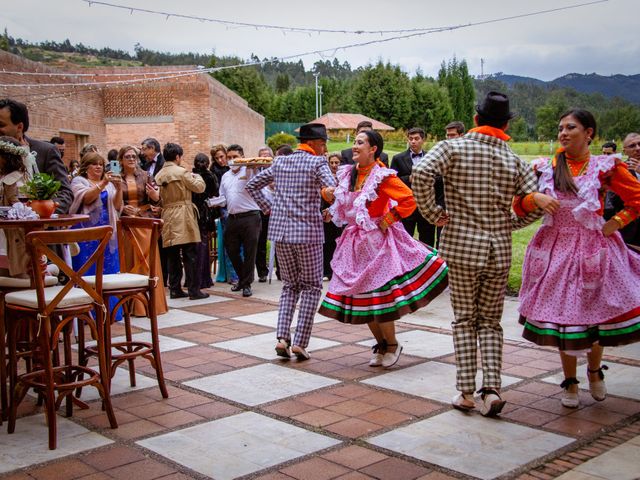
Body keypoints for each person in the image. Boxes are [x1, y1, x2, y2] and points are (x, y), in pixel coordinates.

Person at [412, 91, 552, 417]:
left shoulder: (453, 147)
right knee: (490, 322)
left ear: (476, 119)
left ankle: (465, 392)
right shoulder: (514, 159)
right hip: (498, 249)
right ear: (506, 124)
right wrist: (513, 223)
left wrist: (434, 214)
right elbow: (537, 200)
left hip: (461, 246)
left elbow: (420, 174)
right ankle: (491, 388)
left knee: (464, 320)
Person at [518, 110, 640, 409]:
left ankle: (595, 370)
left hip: (592, 249)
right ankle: (570, 380)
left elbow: (637, 199)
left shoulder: (605, 167)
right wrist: (534, 199)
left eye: (570, 127)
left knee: (594, 312)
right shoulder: (545, 167)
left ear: (589, 133)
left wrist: (616, 223)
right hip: (555, 249)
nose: (563, 132)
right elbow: (518, 206)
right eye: (560, 128)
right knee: (564, 316)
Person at [319, 131, 448, 368]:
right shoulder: (349, 173)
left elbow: (409, 200)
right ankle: (381, 343)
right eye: (355, 143)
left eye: (360, 143)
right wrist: (328, 196)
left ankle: (391, 344)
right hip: (355, 243)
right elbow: (344, 199)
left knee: (380, 297)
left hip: (378, 244)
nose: (355, 147)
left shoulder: (382, 176)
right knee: (363, 297)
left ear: (373, 149)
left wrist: (387, 220)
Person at [246, 123, 336, 360]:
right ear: (316, 143)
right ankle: (300, 343)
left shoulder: (280, 162)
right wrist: (332, 208)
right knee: (312, 287)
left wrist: (270, 209)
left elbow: (252, 185)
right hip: (307, 234)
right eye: (324, 143)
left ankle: (282, 337)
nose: (325, 148)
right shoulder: (317, 162)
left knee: (289, 286)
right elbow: (332, 189)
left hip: (281, 233)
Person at [69, 152, 124, 319]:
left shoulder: (108, 184)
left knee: (108, 271)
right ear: (86, 167)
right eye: (94, 164)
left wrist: (119, 187)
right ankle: (88, 313)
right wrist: (103, 182)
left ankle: (111, 311)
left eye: (101, 164)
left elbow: (116, 205)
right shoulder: (79, 181)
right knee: (87, 270)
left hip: (106, 232)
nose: (99, 167)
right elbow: (86, 198)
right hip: (85, 233)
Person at [118, 145, 168, 316]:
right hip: (125, 226)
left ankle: (152, 304)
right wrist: (123, 208)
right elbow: (111, 200)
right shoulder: (116, 178)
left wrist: (156, 198)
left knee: (147, 262)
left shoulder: (146, 176)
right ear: (121, 160)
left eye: (134, 156)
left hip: (144, 223)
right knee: (130, 262)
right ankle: (131, 305)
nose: (131, 159)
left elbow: (157, 200)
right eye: (127, 156)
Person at [155, 142, 208, 300]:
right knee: (190, 253)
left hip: (167, 214)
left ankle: (175, 288)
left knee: (172, 254)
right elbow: (199, 188)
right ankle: (194, 290)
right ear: (178, 156)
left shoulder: (159, 174)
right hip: (183, 213)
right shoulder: (182, 172)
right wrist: (198, 178)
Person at [0, 98, 73, 214]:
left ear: (19, 127)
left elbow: (65, 194)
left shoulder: (46, 151)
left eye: (1, 125)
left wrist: (41, 214)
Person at [219, 144, 261, 298]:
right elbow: (223, 197)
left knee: (250, 251)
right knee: (231, 250)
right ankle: (243, 279)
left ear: (242, 157)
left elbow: (256, 180)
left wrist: (250, 167)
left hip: (250, 216)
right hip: (232, 217)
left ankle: (246, 284)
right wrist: (216, 202)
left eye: (234, 157)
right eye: (229, 157)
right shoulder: (225, 176)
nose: (231, 160)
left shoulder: (251, 170)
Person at [391, 127, 441, 247]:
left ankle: (427, 265)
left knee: (427, 239)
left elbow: (439, 179)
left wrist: (428, 178)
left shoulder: (432, 157)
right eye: (411, 138)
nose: (413, 141)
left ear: (423, 140)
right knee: (404, 240)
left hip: (427, 206)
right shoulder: (398, 158)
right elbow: (392, 181)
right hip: (406, 206)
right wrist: (409, 178)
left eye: (416, 138)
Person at [604, 133, 640, 248]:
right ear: (625, 151)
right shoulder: (618, 171)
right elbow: (612, 203)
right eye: (632, 146)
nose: (638, 148)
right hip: (631, 231)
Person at [0, 136, 29, 277]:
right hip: (3, 232)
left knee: (17, 270)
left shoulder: (17, 178)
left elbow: (18, 203)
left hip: (14, 232)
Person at [210, 144, 238, 285]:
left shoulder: (234, 169)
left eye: (222, 157)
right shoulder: (214, 172)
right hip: (223, 208)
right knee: (229, 243)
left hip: (237, 208)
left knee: (240, 244)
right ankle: (233, 275)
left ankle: (241, 273)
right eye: (217, 158)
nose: (221, 160)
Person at [192, 152, 220, 290]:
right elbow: (215, 193)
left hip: (194, 212)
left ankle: (196, 279)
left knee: (195, 247)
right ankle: (204, 279)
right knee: (203, 246)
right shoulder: (210, 176)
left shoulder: (191, 176)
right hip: (205, 213)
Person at [322, 152, 343, 281]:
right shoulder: (324, 177)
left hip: (341, 215)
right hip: (327, 214)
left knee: (340, 243)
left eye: (337, 163)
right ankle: (327, 271)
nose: (334, 165)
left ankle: (339, 271)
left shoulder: (344, 177)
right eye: (332, 163)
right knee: (327, 244)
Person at [255, 146, 274, 283]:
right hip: (260, 211)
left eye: (267, 156)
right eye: (262, 156)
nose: (265, 158)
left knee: (279, 242)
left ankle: (280, 270)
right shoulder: (255, 172)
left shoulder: (278, 170)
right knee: (260, 242)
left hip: (276, 210)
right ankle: (262, 271)